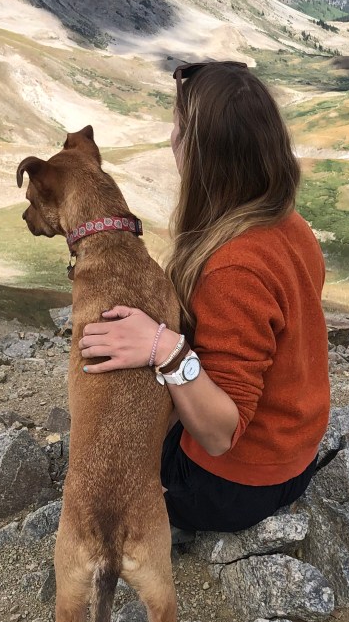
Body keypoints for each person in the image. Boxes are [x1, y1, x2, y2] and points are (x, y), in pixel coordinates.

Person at [77, 60, 330, 533]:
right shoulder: (289, 224)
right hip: (294, 455)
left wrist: (163, 348)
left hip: (233, 486)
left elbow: (219, 435)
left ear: (197, 153)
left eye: (177, 128)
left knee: (101, 465)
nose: (170, 139)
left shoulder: (232, 269)